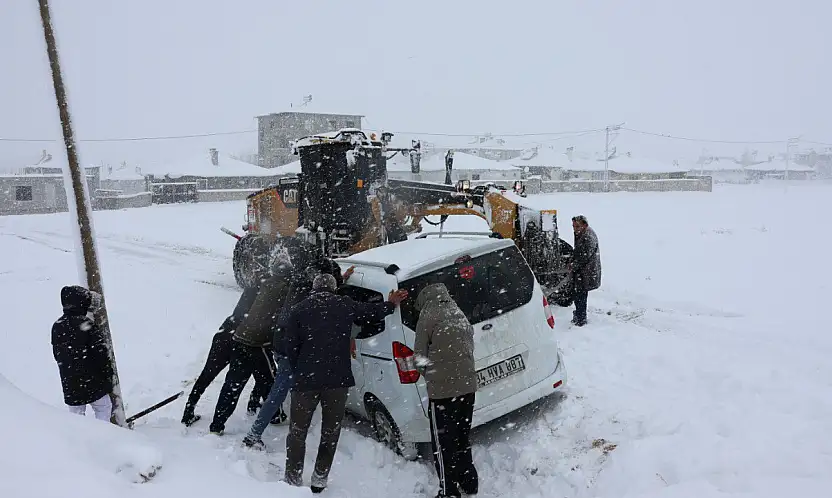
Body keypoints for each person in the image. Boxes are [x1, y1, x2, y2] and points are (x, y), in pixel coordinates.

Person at [282, 273, 408, 493]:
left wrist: (301, 369)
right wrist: (390, 304)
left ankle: (292, 478)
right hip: (337, 381)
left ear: (314, 288)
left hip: (306, 382)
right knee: (330, 432)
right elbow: (371, 314)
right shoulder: (343, 304)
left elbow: (289, 348)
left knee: (297, 432)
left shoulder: (298, 310)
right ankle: (319, 479)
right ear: (333, 289)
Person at [242, 260, 355, 450]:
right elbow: (326, 296)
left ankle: (262, 428)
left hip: (281, 341)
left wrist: (341, 279)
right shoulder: (308, 294)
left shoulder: (299, 282)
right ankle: (253, 435)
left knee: (282, 389)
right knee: (279, 392)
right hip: (289, 347)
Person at [208, 249, 295, 435]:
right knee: (269, 380)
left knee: (233, 384)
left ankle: (217, 424)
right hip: (258, 343)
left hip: (240, 338)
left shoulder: (266, 283)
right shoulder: (286, 289)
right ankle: (275, 415)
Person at [181, 273, 274, 427]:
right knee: (261, 368)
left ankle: (189, 409)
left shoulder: (251, 290)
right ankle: (253, 402)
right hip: (245, 339)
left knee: (208, 374)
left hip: (225, 332)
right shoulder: (269, 296)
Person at [413, 283, 478, 498]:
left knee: (442, 444)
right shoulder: (456, 310)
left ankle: (448, 491)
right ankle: (469, 482)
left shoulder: (427, 316)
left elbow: (419, 358)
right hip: (468, 388)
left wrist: (432, 375)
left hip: (443, 393)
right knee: (461, 436)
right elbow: (469, 342)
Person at [52, 285, 114, 422]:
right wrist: (108, 375)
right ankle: (105, 437)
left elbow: (57, 355)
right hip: (92, 382)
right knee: (103, 408)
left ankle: (79, 441)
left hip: (70, 383)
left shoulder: (57, 326)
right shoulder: (86, 324)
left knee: (76, 418)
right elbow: (101, 354)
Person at [570, 214, 602, 327]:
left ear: (585, 225)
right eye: (573, 226)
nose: (575, 229)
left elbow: (584, 256)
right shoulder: (581, 233)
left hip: (587, 272)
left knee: (581, 295)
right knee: (578, 294)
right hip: (583, 271)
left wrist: (573, 265)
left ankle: (580, 318)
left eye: (577, 226)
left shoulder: (588, 237)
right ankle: (579, 314)